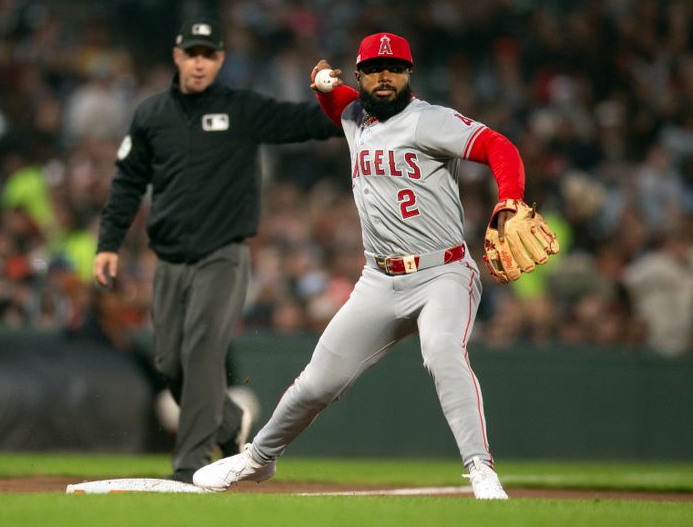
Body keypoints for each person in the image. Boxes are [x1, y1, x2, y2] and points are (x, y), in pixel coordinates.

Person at [192, 31, 530, 500]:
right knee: (315, 383)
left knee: (442, 352)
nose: (384, 77)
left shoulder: (429, 120)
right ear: (361, 75)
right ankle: (258, 459)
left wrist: (510, 198)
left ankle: (480, 469)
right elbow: (340, 104)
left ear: (409, 73)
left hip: (443, 272)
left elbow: (499, 147)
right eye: (373, 69)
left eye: (393, 68)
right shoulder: (356, 116)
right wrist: (322, 86)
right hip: (379, 279)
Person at [94, 17, 341, 483]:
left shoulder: (241, 109)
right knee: (169, 362)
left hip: (222, 256)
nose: (200, 62)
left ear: (220, 59)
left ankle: (190, 464)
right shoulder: (151, 114)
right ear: (177, 56)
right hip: (169, 260)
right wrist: (108, 244)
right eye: (193, 53)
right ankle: (229, 424)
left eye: (209, 54)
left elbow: (303, 123)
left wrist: (348, 103)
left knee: (203, 351)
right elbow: (127, 182)